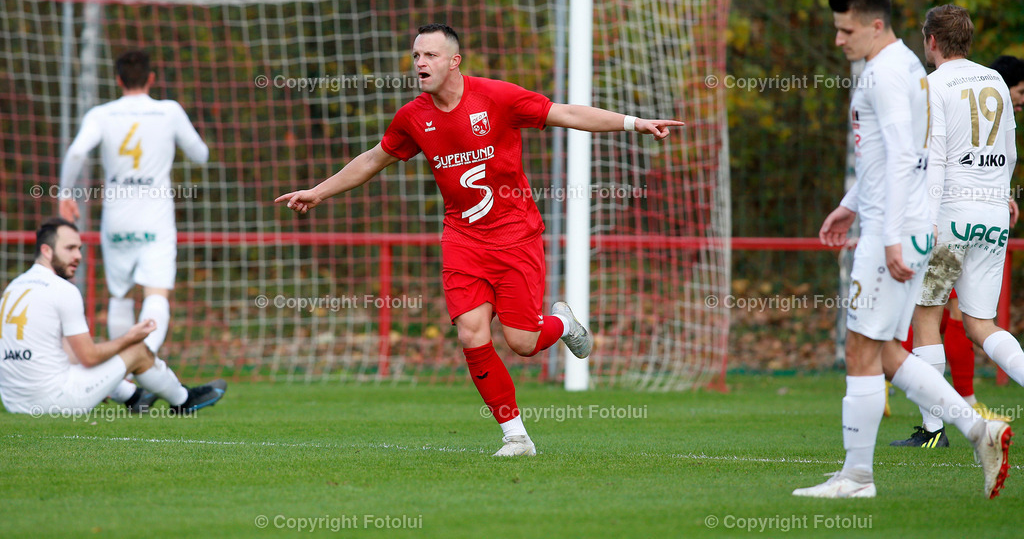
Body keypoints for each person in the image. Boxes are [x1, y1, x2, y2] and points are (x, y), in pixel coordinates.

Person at [276, 23, 684, 456]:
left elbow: (565, 113)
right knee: (471, 334)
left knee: (523, 343)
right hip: (462, 240)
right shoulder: (414, 116)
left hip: (516, 237)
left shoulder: (496, 97)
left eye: (430, 56)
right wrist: (318, 191)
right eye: (416, 56)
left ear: (454, 61)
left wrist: (633, 123)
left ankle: (562, 323)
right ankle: (516, 436)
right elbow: (375, 158)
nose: (420, 64)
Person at [793, 0, 1011, 499]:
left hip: (897, 228)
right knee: (886, 349)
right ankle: (978, 429)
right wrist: (849, 207)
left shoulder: (887, 74)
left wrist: (888, 237)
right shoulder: (908, 68)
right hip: (910, 222)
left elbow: (901, 157)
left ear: (875, 24)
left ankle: (857, 478)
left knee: (861, 348)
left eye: (846, 30)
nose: (839, 40)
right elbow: (888, 156)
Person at [891, 9, 1024, 450]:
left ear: (931, 40)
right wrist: (1004, 198)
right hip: (992, 214)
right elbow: (1008, 151)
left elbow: (936, 161)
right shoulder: (996, 83)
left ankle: (933, 431)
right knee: (981, 323)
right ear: (967, 40)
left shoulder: (931, 87)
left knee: (927, 312)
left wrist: (925, 224)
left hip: (950, 214)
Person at [58, 51, 209, 354]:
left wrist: (65, 194)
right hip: (155, 217)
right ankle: (142, 362)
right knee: (156, 293)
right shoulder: (169, 111)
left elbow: (75, 153)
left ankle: (122, 375)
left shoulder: (101, 114)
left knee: (120, 295)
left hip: (117, 218)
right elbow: (201, 155)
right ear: (151, 78)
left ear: (118, 80)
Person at [0, 218, 225, 415]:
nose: (78, 256)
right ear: (47, 251)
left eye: (79, 248)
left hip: (13, 402)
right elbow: (88, 358)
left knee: (80, 356)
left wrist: (103, 380)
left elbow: (71, 355)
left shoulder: (13, 288)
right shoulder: (62, 289)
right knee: (136, 350)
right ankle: (184, 401)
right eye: (70, 248)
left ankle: (135, 397)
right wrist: (129, 338)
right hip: (54, 401)